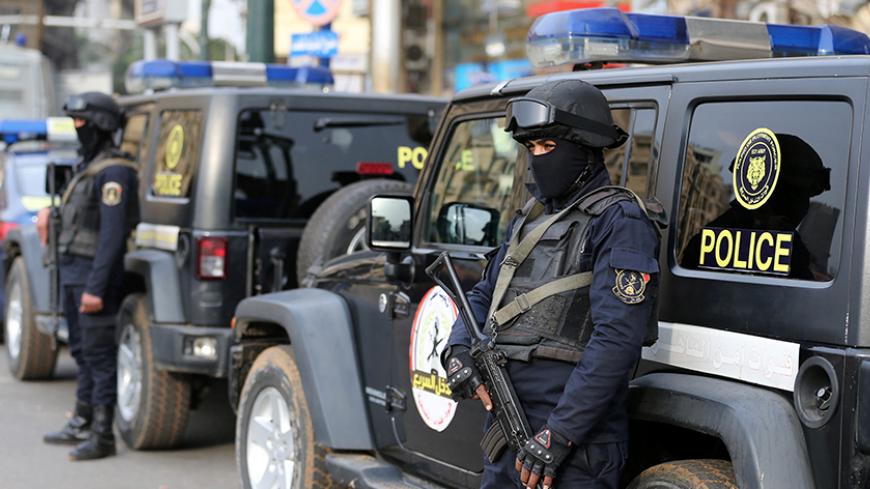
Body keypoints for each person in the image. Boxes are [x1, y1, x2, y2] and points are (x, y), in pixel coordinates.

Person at [442, 80, 662, 489]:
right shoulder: (530, 218)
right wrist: (456, 350)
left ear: (585, 149)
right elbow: (485, 293)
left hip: (573, 441)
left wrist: (561, 432)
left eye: (548, 146)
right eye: (531, 147)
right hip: (507, 425)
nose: (537, 158)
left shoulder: (620, 221)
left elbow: (616, 339)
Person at [40, 92, 138, 461]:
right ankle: (81, 420)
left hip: (92, 277)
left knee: (99, 356)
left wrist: (95, 288)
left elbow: (112, 237)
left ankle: (102, 434)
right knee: (81, 350)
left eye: (81, 122)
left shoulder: (114, 172)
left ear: (100, 125)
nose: (77, 129)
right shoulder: (89, 166)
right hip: (73, 272)